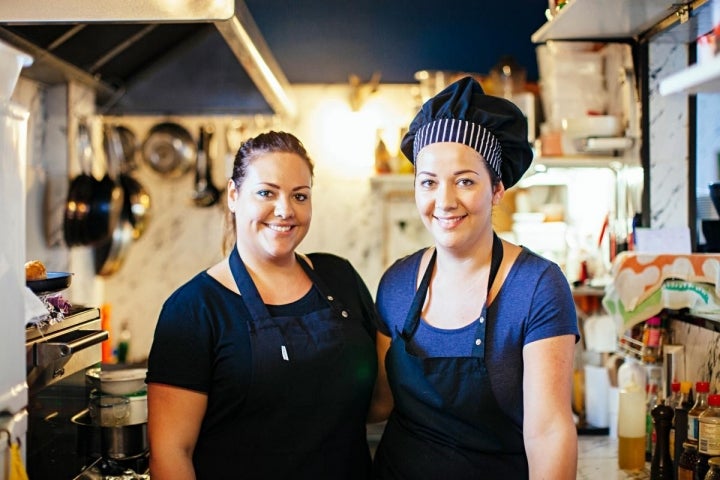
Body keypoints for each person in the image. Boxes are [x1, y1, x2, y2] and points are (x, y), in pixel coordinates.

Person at [369, 77, 580, 479]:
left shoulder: (536, 286)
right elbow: (379, 403)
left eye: (465, 181)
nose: (445, 201)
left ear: (497, 188)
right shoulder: (396, 284)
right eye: (428, 182)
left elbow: (549, 431)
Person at [146, 131, 379, 480]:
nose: (285, 210)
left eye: (299, 196)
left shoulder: (340, 277)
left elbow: (378, 400)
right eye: (266, 193)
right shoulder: (194, 309)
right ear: (233, 196)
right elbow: (171, 454)